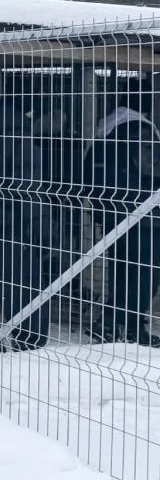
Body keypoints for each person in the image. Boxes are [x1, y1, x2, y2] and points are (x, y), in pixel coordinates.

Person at [85, 97, 160, 346]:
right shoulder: (143, 130)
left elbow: (88, 181)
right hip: (145, 214)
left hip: (114, 216)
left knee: (122, 271)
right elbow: (152, 168)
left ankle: (109, 323)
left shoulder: (103, 135)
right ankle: (133, 328)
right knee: (145, 274)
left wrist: (100, 214)